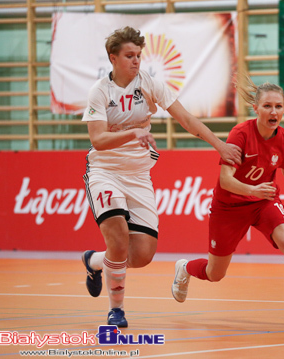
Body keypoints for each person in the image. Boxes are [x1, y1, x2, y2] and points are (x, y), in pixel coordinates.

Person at [80, 26, 241, 328]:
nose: (136, 61)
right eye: (129, 56)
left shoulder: (149, 85)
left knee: (141, 255)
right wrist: (134, 132)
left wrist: (219, 144)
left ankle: (93, 260)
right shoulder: (100, 91)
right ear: (113, 58)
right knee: (117, 236)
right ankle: (117, 310)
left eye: (139, 55)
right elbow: (99, 140)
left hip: (138, 175)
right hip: (105, 172)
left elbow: (186, 119)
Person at [170, 76, 284, 329]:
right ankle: (185, 268)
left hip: (263, 203)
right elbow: (225, 180)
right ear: (256, 109)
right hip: (229, 207)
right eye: (268, 106)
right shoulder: (240, 134)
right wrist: (253, 189)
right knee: (215, 274)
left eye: (279, 106)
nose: (274, 112)